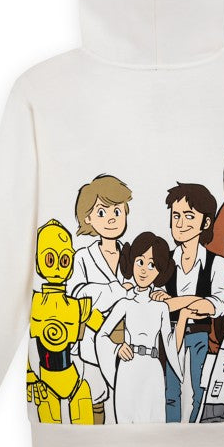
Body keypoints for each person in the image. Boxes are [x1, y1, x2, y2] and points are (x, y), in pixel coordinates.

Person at [151, 182, 224, 423]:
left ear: (206, 222)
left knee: (199, 392)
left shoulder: (216, 263)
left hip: (199, 336)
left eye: (189, 216)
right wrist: (195, 302)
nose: (181, 223)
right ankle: (171, 432)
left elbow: (217, 305)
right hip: (169, 335)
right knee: (170, 392)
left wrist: (177, 302)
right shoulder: (164, 261)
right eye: (176, 216)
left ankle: (196, 432)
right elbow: (158, 303)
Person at [95, 232, 187, 423]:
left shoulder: (161, 307)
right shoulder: (124, 303)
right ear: (131, 262)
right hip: (128, 367)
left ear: (160, 271)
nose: (144, 270)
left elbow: (169, 344)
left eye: (152, 265)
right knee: (125, 421)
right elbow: (101, 334)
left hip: (153, 370)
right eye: (140, 262)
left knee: (154, 422)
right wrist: (117, 348)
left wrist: (184, 317)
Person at [66, 174, 135, 424]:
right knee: (95, 400)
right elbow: (77, 295)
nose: (111, 219)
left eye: (117, 211)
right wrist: (117, 290)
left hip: (127, 343)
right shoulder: (82, 257)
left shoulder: (133, 255)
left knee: (125, 402)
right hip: (91, 345)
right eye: (102, 212)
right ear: (88, 218)